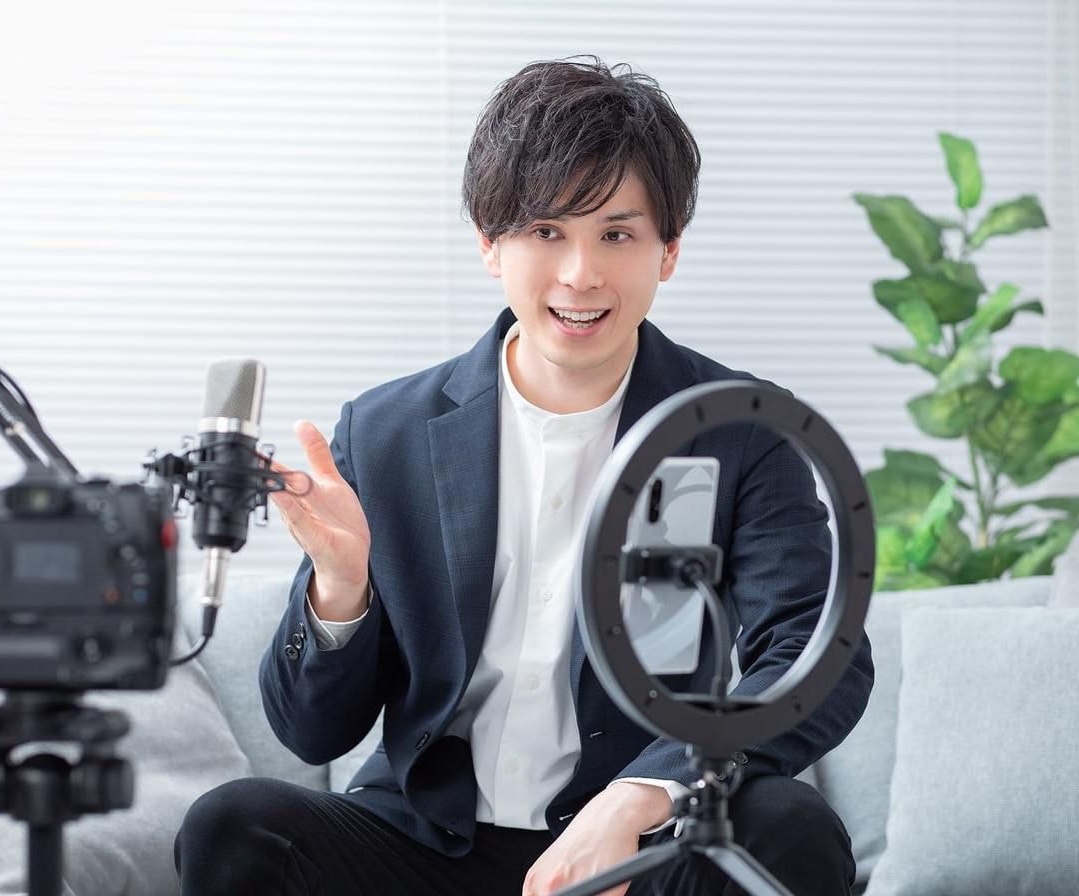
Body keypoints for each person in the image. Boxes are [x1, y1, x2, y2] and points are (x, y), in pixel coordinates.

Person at [174, 56, 873, 896]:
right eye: (546, 233)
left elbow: (814, 655)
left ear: (669, 251)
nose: (580, 274)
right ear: (489, 243)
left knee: (789, 829)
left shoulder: (742, 430)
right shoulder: (387, 431)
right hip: (430, 844)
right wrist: (341, 586)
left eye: (617, 234)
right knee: (234, 827)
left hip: (640, 844)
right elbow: (310, 731)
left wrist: (642, 797)